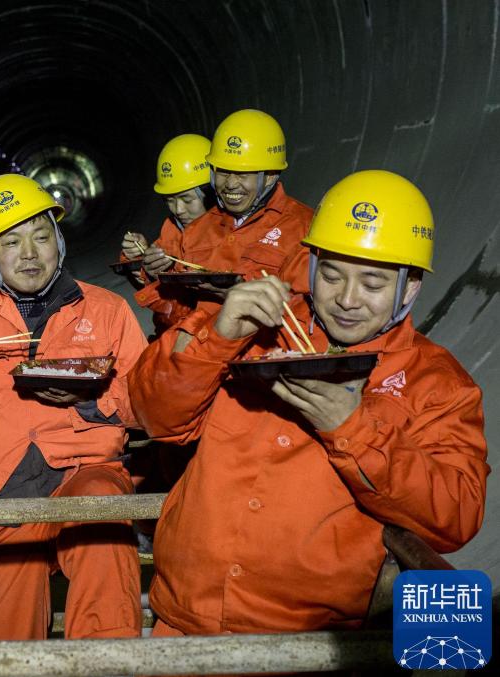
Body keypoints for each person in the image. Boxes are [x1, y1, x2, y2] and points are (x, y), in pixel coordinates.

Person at [129, 170, 489, 636]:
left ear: (411, 286)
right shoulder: (255, 327)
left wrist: (353, 429)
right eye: (333, 276)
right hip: (183, 623)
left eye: (374, 285)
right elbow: (156, 417)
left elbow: (456, 518)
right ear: (311, 267)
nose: (347, 300)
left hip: (310, 644)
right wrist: (216, 340)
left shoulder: (434, 383)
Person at [0, 174, 147, 640]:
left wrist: (93, 398)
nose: (30, 254)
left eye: (41, 236)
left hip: (86, 472)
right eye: (11, 242)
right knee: (12, 635)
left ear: (59, 240)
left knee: (102, 529)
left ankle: (108, 667)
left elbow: (147, 404)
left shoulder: (107, 310)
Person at [134, 109, 314, 325]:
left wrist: (235, 296)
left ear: (270, 176)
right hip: (199, 350)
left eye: (242, 174)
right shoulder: (199, 230)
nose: (229, 184)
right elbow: (181, 315)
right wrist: (159, 277)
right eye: (223, 172)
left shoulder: (303, 229)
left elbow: (306, 318)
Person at [119, 133, 215, 336]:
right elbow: (166, 307)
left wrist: (173, 275)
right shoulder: (172, 232)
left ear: (212, 191)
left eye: (187, 199)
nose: (178, 209)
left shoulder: (232, 233)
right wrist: (139, 259)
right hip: (172, 335)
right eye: (169, 200)